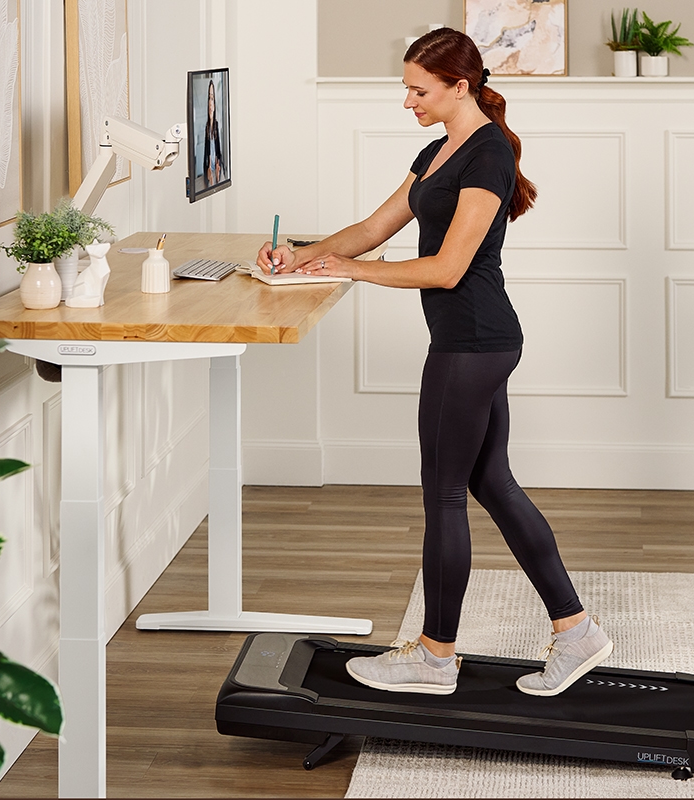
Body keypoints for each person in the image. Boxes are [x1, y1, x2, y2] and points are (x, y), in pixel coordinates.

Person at [256, 27, 612, 698]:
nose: (408, 102)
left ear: (459, 86)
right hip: (479, 342)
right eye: (405, 89)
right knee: (493, 484)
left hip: (471, 344)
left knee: (445, 493)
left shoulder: (486, 157)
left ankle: (433, 656)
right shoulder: (437, 150)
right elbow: (370, 228)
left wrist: (352, 272)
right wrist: (303, 256)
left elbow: (448, 269)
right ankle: (577, 630)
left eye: (419, 90)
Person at [203, 79, 223, 186]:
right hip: (208, 169)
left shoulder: (216, 125)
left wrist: (217, 164)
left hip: (216, 169)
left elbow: (217, 147)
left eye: (212, 99)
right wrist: (209, 167)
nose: (210, 103)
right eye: (209, 99)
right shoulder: (205, 126)